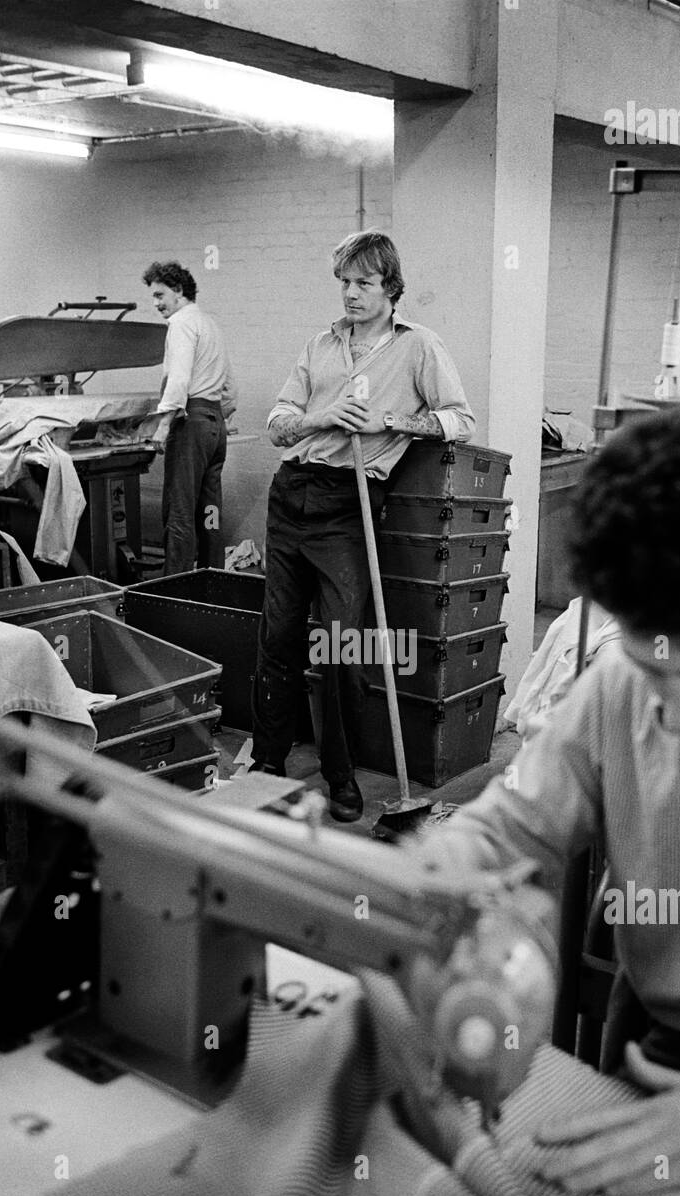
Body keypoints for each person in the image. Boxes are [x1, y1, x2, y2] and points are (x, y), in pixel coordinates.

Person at [416, 403, 680, 1196]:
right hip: (654, 1061)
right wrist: (442, 869)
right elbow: (510, 825)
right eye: (659, 671)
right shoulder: (618, 687)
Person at [251, 229, 476, 822]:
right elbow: (277, 421)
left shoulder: (419, 347)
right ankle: (266, 765)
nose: (349, 294)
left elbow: (460, 420)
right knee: (277, 637)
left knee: (342, 646)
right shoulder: (319, 344)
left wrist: (395, 420)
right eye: (344, 282)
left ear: (390, 289)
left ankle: (340, 777)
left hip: (350, 502)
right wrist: (318, 417)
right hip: (291, 492)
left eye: (363, 283)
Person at [143, 261, 238, 576]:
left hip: (190, 423)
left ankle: (176, 588)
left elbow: (179, 379)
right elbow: (231, 390)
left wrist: (163, 426)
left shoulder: (182, 323)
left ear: (179, 290)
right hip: (214, 426)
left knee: (180, 510)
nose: (156, 303)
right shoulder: (209, 324)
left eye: (160, 295)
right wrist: (214, 419)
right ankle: (214, 579)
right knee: (210, 509)